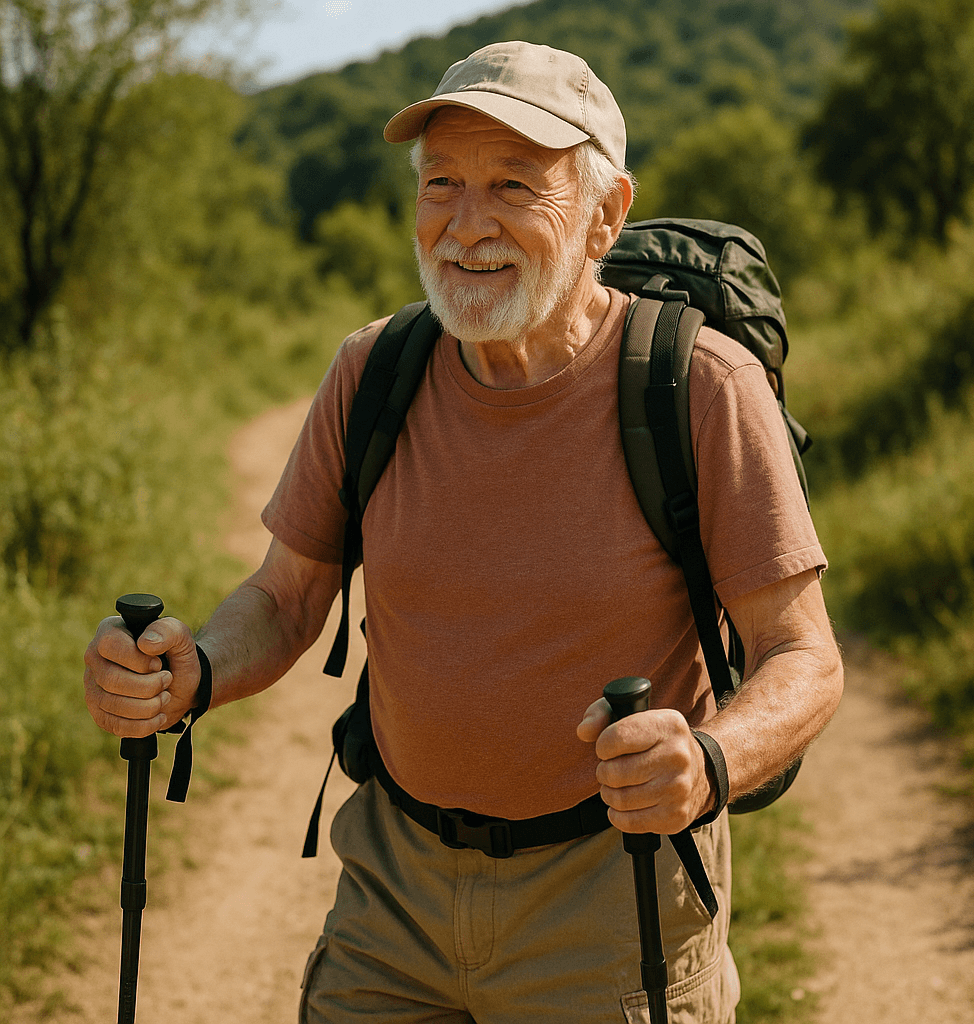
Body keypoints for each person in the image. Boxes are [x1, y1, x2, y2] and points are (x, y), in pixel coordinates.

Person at [84, 40, 844, 1024]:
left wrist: (704, 761)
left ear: (605, 213)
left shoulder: (698, 389)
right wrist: (190, 669)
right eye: (441, 181)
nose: (465, 223)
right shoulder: (374, 372)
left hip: (612, 895)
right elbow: (282, 598)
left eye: (514, 186)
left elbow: (804, 655)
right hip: (393, 888)